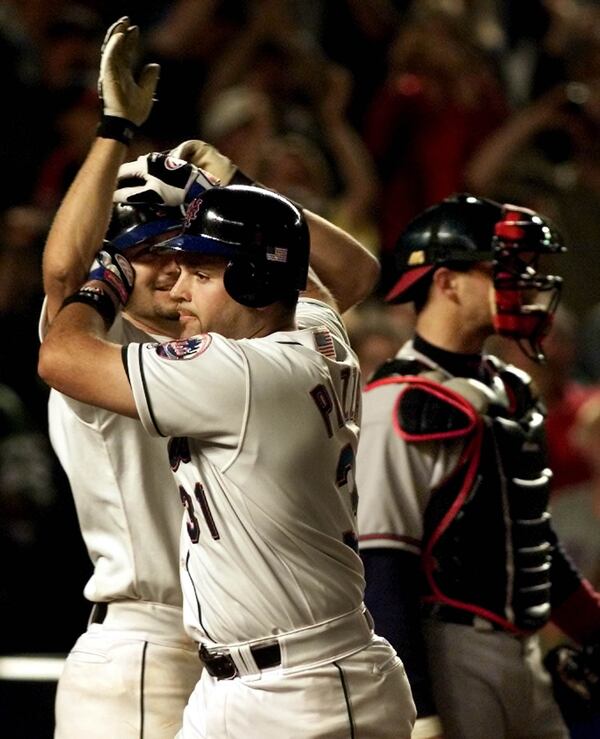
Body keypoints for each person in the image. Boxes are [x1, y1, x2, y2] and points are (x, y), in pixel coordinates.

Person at [38, 17, 416, 739]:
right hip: (151, 641)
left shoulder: (240, 352)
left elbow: (355, 272)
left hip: (257, 655)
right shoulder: (115, 331)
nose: (178, 271)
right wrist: (115, 132)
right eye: (158, 252)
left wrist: (231, 195)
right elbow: (63, 283)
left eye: (198, 259)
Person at [355, 193, 600, 739]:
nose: (526, 283)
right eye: (504, 268)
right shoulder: (398, 402)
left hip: (525, 649)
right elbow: (383, 562)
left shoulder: (508, 386)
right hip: (449, 650)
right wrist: (419, 707)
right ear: (446, 282)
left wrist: (590, 623)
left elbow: (528, 537)